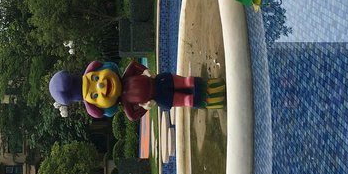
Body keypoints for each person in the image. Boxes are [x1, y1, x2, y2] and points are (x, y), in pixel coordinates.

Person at [49, 59, 225, 121]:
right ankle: (208, 100)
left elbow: (134, 65)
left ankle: (209, 86)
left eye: (95, 79)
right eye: (94, 95)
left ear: (103, 69)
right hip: (158, 98)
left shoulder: (126, 76)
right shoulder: (126, 102)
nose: (101, 85)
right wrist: (145, 107)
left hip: (159, 80)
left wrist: (145, 71)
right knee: (184, 100)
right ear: (102, 107)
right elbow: (132, 116)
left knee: (185, 82)